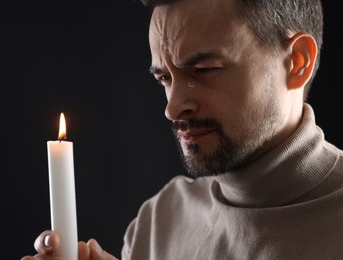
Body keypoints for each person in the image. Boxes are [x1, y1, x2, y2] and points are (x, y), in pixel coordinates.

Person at [22, 0, 343, 259]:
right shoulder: (159, 222)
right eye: (164, 78)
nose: (173, 108)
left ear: (297, 62)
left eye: (204, 70)